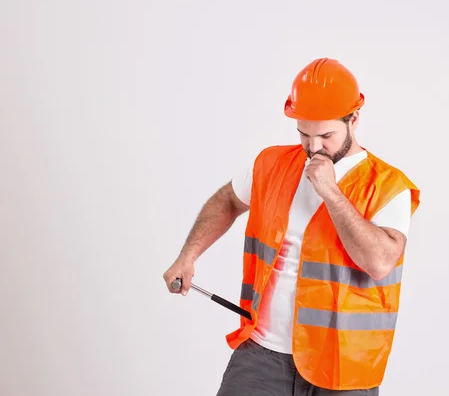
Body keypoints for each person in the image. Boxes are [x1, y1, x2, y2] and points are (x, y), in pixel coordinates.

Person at [163, 57, 421, 395]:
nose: (313, 147)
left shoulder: (387, 185)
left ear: (354, 119)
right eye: (304, 134)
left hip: (344, 365)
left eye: (326, 135)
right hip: (262, 353)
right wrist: (188, 255)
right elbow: (227, 200)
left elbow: (380, 262)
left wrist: (330, 191)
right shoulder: (272, 164)